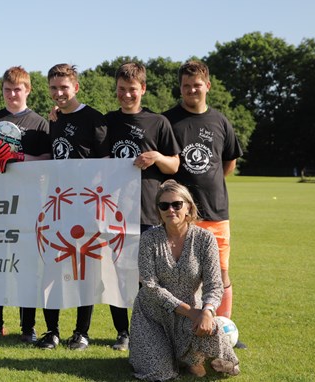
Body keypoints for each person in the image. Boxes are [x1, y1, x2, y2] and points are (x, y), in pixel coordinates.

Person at [163, 60, 245, 348]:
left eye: (196, 85)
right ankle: (183, 331)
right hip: (181, 216)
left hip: (217, 211)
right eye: (186, 86)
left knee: (220, 272)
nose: (191, 90)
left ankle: (224, 329)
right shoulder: (168, 120)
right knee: (183, 276)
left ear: (207, 86)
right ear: (180, 88)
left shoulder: (220, 121)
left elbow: (229, 162)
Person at [0, 66, 51, 343]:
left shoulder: (40, 123)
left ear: (27, 90)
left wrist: (17, 157)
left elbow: (50, 162)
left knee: (26, 268)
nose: (12, 94)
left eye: (17, 89)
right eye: (7, 90)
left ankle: (28, 327)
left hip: (27, 205)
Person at [103, 61, 180, 351]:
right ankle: (123, 332)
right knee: (117, 276)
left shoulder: (158, 122)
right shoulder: (107, 121)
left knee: (149, 279)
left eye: (132, 90)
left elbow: (174, 164)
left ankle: (151, 330)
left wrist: (157, 157)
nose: (126, 95)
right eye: (121, 90)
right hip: (114, 212)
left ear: (143, 89)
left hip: (150, 211)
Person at [129, 180, 239, 379]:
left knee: (222, 364)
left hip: (193, 310)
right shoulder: (148, 239)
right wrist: (191, 312)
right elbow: (150, 286)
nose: (170, 210)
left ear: (188, 206)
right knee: (160, 372)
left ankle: (192, 359)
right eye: (164, 205)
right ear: (158, 210)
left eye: (176, 204)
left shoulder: (206, 239)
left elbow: (214, 284)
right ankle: (170, 355)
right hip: (152, 314)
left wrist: (207, 311)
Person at [37, 64, 107, 350]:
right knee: (50, 271)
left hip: (87, 208)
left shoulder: (94, 119)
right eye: (53, 88)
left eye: (64, 87)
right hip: (57, 206)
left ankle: (81, 332)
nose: (58, 93)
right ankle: (51, 331)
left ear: (76, 87)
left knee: (84, 273)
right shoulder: (53, 119)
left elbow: (108, 166)